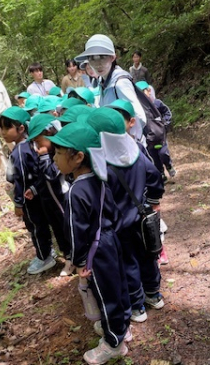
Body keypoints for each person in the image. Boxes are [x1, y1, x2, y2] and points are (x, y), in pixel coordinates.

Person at [49, 122, 131, 364]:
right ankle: (122, 327)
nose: (54, 158)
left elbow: (74, 232)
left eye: (59, 153)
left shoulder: (75, 192)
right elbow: (115, 213)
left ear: (78, 157)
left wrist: (77, 260)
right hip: (110, 241)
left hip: (94, 251)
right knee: (118, 287)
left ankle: (114, 343)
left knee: (105, 295)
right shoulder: (101, 179)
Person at [86, 108, 165, 324]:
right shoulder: (136, 149)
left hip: (120, 225)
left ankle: (137, 305)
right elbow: (155, 176)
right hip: (142, 219)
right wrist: (153, 201)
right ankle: (154, 293)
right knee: (149, 257)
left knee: (129, 264)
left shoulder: (102, 164)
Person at [0, 107, 68, 275]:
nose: (3, 132)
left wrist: (18, 202)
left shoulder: (20, 151)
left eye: (7, 127)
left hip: (30, 200)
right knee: (43, 225)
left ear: (21, 128)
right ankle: (48, 252)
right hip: (38, 194)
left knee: (35, 226)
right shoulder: (30, 146)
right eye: (1, 128)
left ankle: (44, 256)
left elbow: (20, 179)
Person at [26, 113, 74, 276]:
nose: (37, 146)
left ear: (50, 133)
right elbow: (41, 177)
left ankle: (75, 257)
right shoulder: (43, 155)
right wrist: (34, 189)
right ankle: (68, 258)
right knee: (58, 231)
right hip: (49, 202)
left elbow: (52, 174)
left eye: (39, 141)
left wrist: (45, 156)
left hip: (63, 198)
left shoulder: (59, 152)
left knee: (68, 228)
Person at [74, 35, 147, 142]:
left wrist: (129, 138)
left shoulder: (120, 82)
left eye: (102, 57)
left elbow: (140, 117)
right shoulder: (102, 81)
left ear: (112, 57)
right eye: (92, 59)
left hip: (129, 145)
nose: (98, 64)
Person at [136, 81, 177, 182]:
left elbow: (167, 112)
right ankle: (161, 173)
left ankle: (169, 166)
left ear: (149, 91)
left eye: (143, 91)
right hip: (148, 136)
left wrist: (165, 124)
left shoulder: (157, 103)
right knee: (154, 156)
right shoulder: (138, 108)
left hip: (160, 134)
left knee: (163, 153)